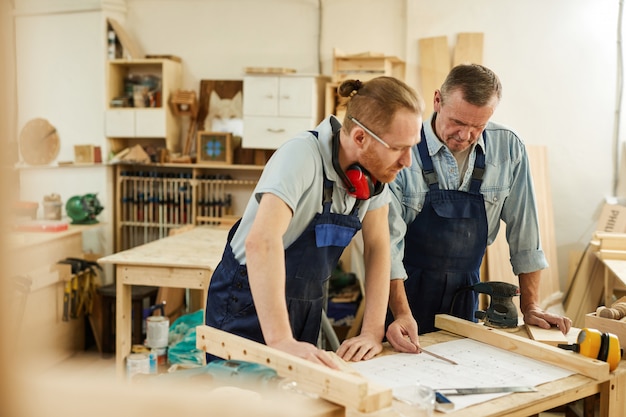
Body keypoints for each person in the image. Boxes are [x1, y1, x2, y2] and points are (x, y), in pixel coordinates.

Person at [205, 76, 424, 367]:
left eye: (413, 147)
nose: (407, 161)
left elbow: (378, 247)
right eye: (398, 148)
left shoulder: (372, 177)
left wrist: (372, 331)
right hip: (246, 302)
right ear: (360, 137)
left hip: (305, 304)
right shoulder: (301, 155)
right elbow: (261, 242)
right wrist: (281, 340)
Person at [385, 64, 572, 353]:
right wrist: (400, 313)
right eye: (457, 122)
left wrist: (530, 306)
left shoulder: (508, 149)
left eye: (478, 126)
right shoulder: (403, 146)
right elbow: (387, 249)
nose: (465, 135)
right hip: (404, 292)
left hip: (467, 293)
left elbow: (526, 236)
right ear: (437, 101)